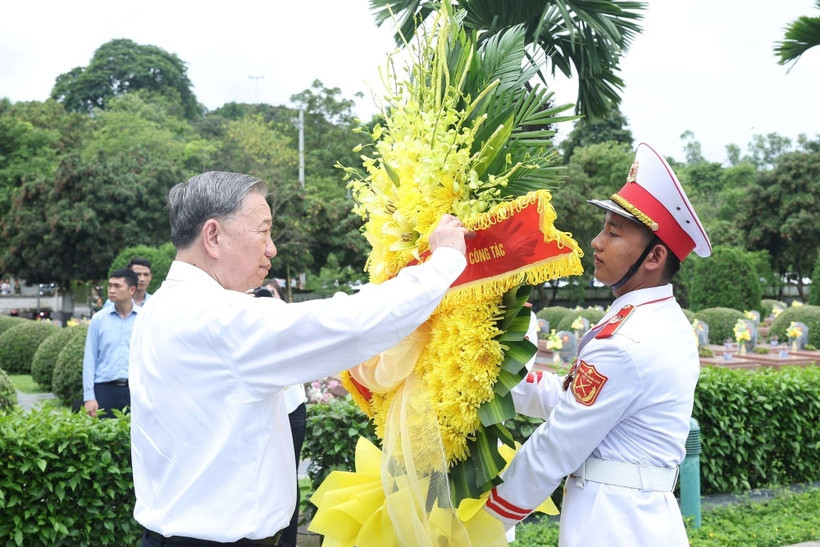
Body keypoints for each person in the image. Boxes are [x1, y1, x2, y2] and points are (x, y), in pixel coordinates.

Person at [129, 171, 471, 546]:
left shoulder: (161, 307)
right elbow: (350, 325)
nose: (272, 248)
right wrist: (445, 260)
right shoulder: (220, 319)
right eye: (263, 231)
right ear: (213, 236)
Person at [484, 143, 712, 546]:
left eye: (613, 232)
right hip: (634, 517)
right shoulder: (655, 320)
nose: (596, 241)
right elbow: (584, 405)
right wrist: (495, 384)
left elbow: (556, 445)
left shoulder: (628, 340)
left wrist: (478, 526)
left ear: (655, 256)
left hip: (614, 525)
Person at [254, 279, 307, 547]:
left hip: (292, 408)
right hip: (261, 413)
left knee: (289, 480)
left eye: (271, 294)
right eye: (260, 294)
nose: (265, 298)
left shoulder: (289, 326)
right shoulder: (246, 327)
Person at [82, 268, 140, 418]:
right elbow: (90, 358)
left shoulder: (143, 318)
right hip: (104, 389)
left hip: (135, 389)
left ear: (132, 290)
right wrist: (89, 396)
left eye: (117, 286)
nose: (111, 290)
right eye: (110, 285)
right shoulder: (99, 320)